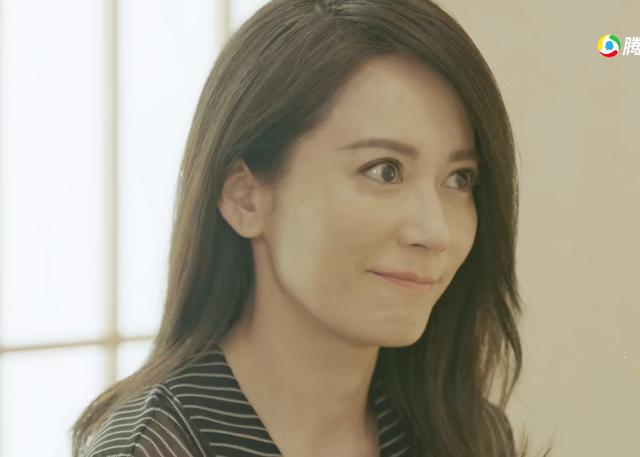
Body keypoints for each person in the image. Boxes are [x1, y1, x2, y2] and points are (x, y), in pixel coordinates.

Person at [71, 1, 555, 456]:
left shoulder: (471, 436)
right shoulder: (153, 447)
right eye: (384, 170)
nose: (435, 230)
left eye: (459, 179)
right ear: (244, 197)